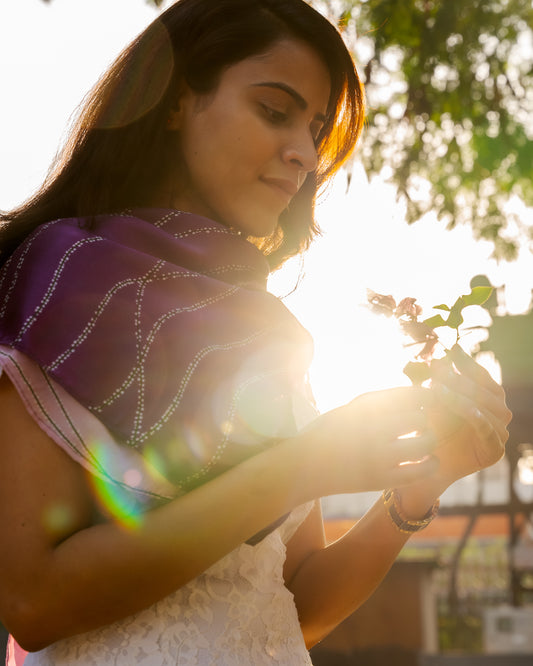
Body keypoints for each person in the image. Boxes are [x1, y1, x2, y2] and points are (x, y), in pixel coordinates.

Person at [0, 0, 511, 663]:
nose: (302, 153)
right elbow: (34, 603)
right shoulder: (57, 281)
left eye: (316, 128)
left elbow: (291, 603)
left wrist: (415, 491)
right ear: (177, 99)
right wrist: (299, 466)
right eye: (274, 111)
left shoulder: (266, 334)